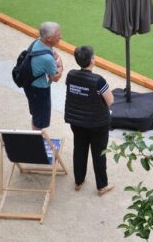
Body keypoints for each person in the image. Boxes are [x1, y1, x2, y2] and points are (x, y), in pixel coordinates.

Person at [63, 45, 114, 195]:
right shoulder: (99, 81)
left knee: (79, 148)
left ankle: (78, 181)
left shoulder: (70, 75)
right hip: (98, 123)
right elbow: (110, 101)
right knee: (99, 153)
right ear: (92, 60)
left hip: (77, 121)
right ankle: (102, 185)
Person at [25, 22, 64, 130]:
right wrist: (60, 65)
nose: (61, 37)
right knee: (40, 120)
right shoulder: (47, 58)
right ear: (49, 39)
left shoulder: (37, 42)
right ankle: (36, 143)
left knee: (36, 115)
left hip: (30, 86)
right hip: (40, 91)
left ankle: (35, 137)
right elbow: (55, 77)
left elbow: (52, 53)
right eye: (58, 35)